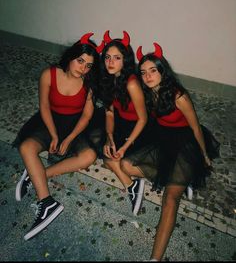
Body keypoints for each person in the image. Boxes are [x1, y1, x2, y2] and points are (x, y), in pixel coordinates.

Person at [14, 32, 104, 241]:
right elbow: (44, 106)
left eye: (88, 65)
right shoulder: (49, 74)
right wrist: (54, 135)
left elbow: (87, 116)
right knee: (26, 147)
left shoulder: (89, 85)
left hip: (75, 126)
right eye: (80, 61)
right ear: (70, 57)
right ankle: (47, 202)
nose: (83, 68)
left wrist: (69, 138)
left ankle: (37, 175)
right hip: (50, 121)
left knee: (89, 156)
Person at [137, 42, 220, 261]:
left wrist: (203, 156)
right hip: (162, 138)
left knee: (170, 199)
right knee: (127, 163)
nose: (148, 76)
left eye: (153, 70)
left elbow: (195, 126)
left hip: (185, 141)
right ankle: (181, 177)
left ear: (163, 71)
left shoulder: (178, 95)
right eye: (143, 72)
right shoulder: (147, 94)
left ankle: (155, 259)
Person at [99, 30, 158, 216]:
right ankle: (132, 186)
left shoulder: (131, 83)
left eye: (116, 58)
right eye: (107, 57)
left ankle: (137, 183)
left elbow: (143, 118)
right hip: (122, 123)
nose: (110, 62)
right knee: (107, 156)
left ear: (125, 60)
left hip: (142, 127)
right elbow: (109, 112)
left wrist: (124, 145)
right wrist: (109, 137)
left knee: (122, 160)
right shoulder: (108, 78)